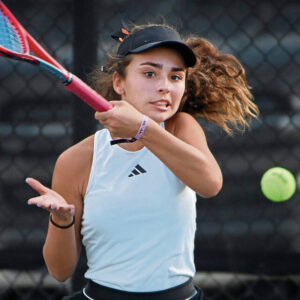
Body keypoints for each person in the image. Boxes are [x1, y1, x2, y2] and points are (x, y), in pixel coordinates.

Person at [26, 23, 259, 300]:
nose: (164, 87)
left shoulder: (180, 128)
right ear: (119, 83)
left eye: (175, 77)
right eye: (150, 73)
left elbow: (209, 183)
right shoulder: (77, 160)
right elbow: (60, 270)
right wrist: (61, 220)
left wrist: (142, 129)